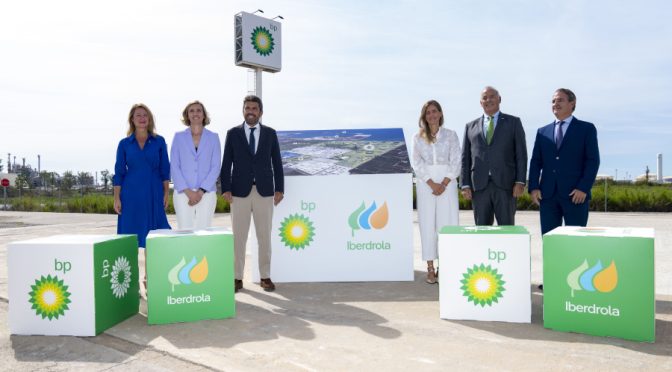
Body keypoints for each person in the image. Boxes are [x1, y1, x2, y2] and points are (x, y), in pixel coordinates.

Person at [220, 95, 284, 293]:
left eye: (254, 108)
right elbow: (226, 163)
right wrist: (226, 188)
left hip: (264, 192)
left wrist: (279, 188)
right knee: (238, 238)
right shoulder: (233, 134)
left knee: (264, 236)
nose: (251, 111)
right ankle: (236, 278)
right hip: (239, 193)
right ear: (243, 111)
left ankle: (265, 277)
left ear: (260, 112)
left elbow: (277, 163)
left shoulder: (270, 134)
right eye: (247, 107)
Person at [113, 103, 171, 290]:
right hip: (131, 195)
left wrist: (165, 193)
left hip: (154, 193)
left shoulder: (159, 141)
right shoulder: (124, 144)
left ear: (150, 118)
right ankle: (130, 283)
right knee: (130, 239)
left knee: (153, 238)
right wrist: (117, 198)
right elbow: (119, 172)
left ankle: (150, 278)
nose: (142, 118)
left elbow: (165, 170)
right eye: (138, 115)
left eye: (145, 115)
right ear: (132, 119)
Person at [528, 88, 600, 235]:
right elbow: (536, 162)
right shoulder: (542, 132)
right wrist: (534, 187)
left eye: (560, 100)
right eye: (553, 101)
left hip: (575, 196)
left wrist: (583, 188)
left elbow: (592, 161)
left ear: (572, 103)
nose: (555, 103)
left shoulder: (586, 129)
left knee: (575, 242)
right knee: (549, 241)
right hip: (547, 196)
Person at [461, 86, 528, 226]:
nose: (488, 100)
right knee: (481, 229)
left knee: (507, 228)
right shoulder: (470, 126)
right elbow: (465, 158)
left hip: (506, 185)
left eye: (492, 96)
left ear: (499, 99)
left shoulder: (514, 122)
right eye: (484, 98)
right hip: (479, 187)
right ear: (480, 103)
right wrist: (465, 184)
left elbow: (521, 154)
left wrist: (520, 181)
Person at [412, 100, 461, 284]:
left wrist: (445, 182)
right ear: (424, 116)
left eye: (434, 111)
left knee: (447, 225)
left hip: (447, 185)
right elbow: (417, 163)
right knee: (427, 225)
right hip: (426, 185)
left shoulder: (451, 135)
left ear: (440, 114)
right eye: (428, 112)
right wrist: (432, 183)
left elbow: (456, 160)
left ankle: (445, 266)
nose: (431, 115)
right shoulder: (417, 137)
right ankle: (430, 267)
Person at [170, 100, 221, 230]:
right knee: (185, 230)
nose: (195, 113)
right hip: (183, 193)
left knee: (204, 230)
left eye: (199, 110)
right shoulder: (178, 137)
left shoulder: (213, 137)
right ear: (187, 115)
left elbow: (216, 166)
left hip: (207, 193)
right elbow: (174, 166)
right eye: (191, 111)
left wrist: (200, 192)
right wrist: (188, 191)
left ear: (204, 115)